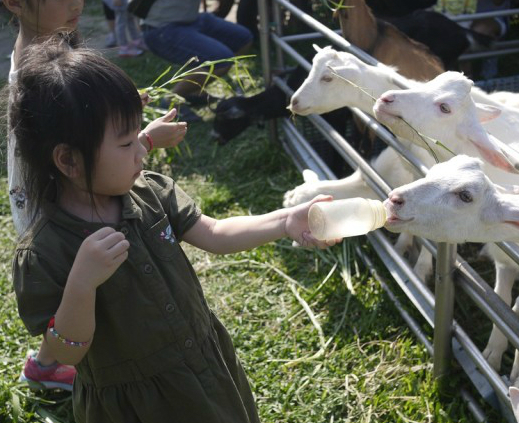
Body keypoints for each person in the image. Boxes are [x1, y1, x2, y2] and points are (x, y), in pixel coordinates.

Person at [9, 40, 337, 422]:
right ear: (68, 160)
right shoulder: (44, 251)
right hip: (137, 407)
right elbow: (66, 354)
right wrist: (82, 283)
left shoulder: (150, 191)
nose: (142, 151)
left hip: (203, 367)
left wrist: (284, 221)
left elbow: (214, 233)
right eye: (127, 142)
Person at [2, 0, 187, 392]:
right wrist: (147, 139)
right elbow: (74, 166)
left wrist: (110, 113)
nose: (77, 3)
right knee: (74, 289)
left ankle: (49, 361)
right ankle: (52, 362)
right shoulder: (34, 74)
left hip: (64, 196)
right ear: (15, 3)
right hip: (55, 207)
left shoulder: (50, 49)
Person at [132, 0, 253, 100]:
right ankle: (171, 100)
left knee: (243, 38)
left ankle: (193, 91)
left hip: (191, 19)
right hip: (161, 28)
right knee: (220, 60)